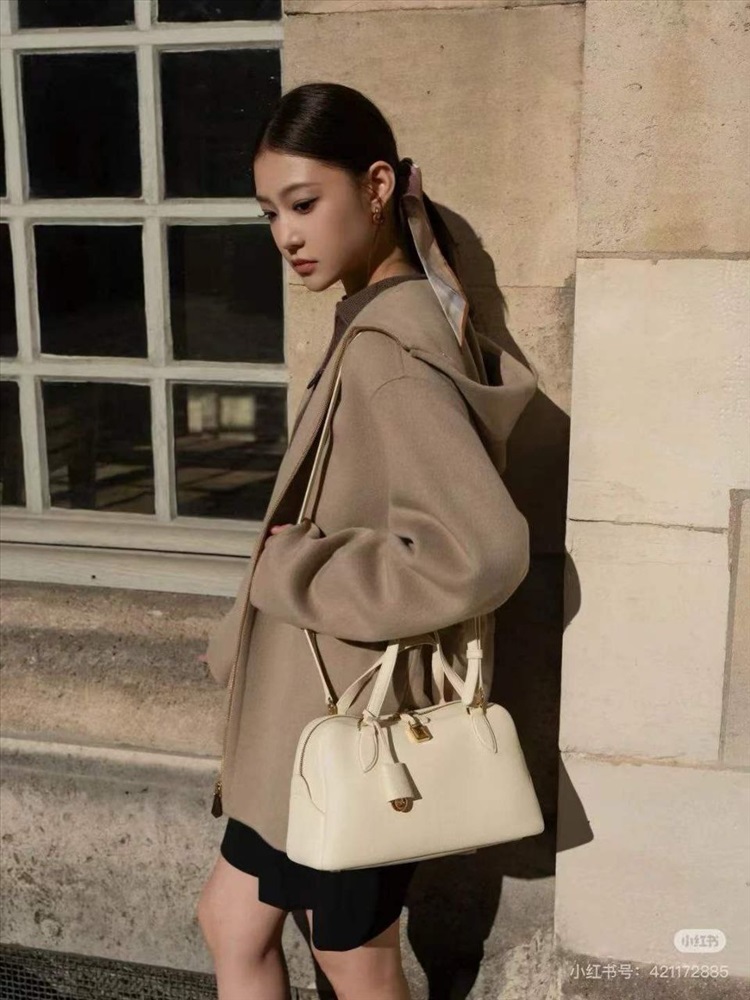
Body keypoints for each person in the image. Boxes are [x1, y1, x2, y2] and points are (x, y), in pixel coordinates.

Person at [196, 82, 537, 1000]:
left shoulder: (390, 352)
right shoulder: (375, 322)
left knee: (355, 958)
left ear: (378, 186)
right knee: (233, 920)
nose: (286, 235)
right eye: (270, 213)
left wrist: (294, 566)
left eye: (304, 204)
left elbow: (480, 551)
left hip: (351, 726)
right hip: (300, 724)